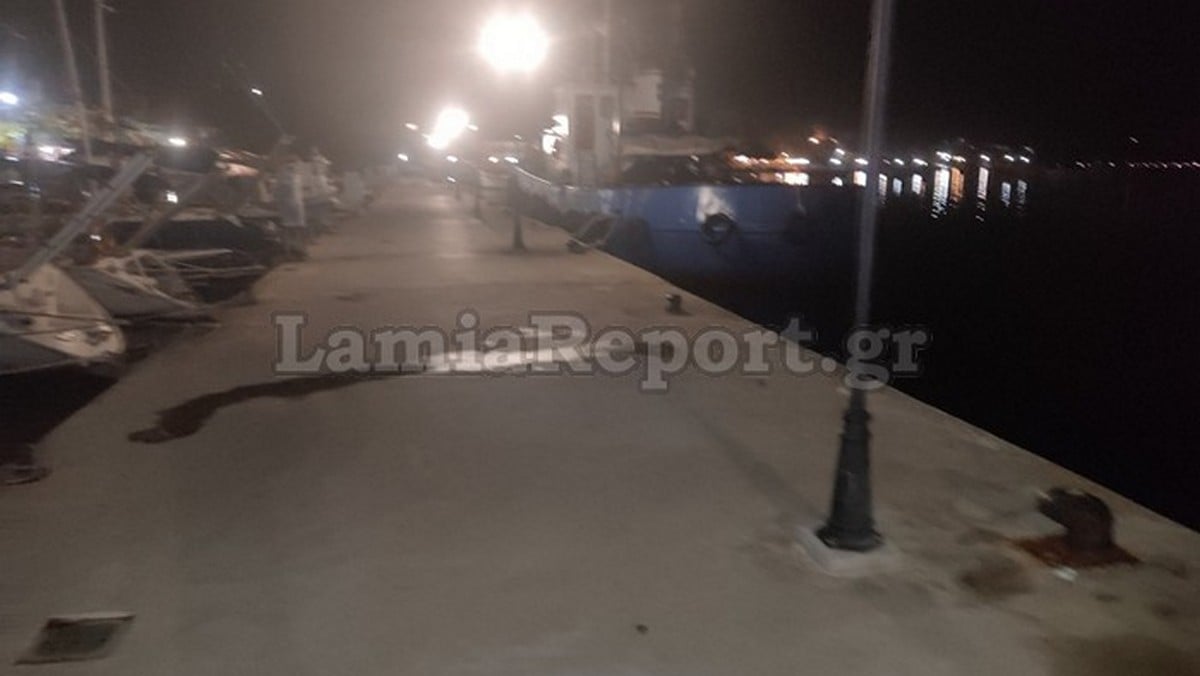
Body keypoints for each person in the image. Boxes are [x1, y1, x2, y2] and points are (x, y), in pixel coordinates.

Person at [273, 155, 307, 260]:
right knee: (294, 229)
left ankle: (294, 252)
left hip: (290, 205)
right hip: (292, 205)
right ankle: (294, 252)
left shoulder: (287, 175)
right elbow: (279, 191)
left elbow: (277, 192)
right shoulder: (292, 176)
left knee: (290, 229)